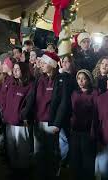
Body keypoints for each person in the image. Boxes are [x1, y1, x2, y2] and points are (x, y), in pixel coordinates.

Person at [22, 52, 72, 180]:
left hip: (51, 123)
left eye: (44, 63)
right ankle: (40, 174)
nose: (41, 65)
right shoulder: (40, 79)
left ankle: (53, 174)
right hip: (38, 120)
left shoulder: (62, 79)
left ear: (52, 65)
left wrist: (57, 122)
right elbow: (32, 98)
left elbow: (64, 102)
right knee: (39, 151)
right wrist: (26, 114)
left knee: (51, 152)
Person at [3, 62, 34, 178]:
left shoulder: (30, 85)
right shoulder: (12, 83)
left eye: (18, 69)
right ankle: (14, 169)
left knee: (22, 148)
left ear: (24, 71)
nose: (15, 71)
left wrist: (24, 116)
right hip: (9, 121)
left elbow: (29, 104)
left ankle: (23, 171)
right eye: (14, 69)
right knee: (11, 147)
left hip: (21, 123)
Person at [69, 69, 98, 180]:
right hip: (75, 131)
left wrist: (93, 131)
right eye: (79, 79)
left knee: (88, 160)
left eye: (84, 78)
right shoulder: (75, 93)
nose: (81, 81)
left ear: (89, 80)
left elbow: (96, 113)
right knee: (75, 158)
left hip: (88, 132)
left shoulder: (95, 93)